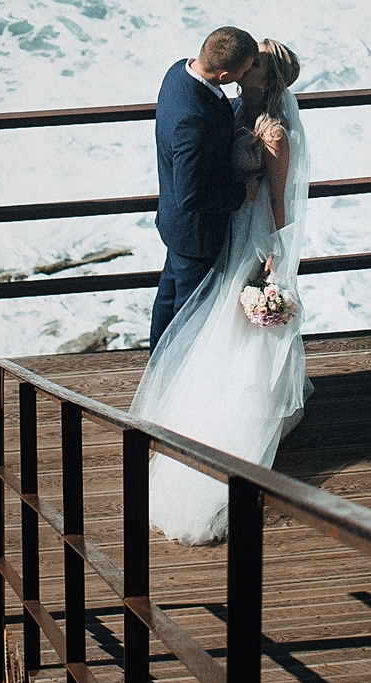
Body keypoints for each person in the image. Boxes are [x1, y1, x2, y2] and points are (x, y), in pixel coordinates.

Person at [129, 38, 309, 543]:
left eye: (256, 63)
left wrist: (274, 258)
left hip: (247, 236)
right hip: (219, 231)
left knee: (221, 327)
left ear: (262, 76)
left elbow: (280, 202)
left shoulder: (273, 132)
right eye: (245, 60)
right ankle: (172, 389)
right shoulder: (227, 106)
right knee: (195, 317)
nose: (246, 67)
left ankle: (202, 408)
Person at [149, 26, 257, 346]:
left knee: (169, 302)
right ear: (224, 76)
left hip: (175, 226)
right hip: (196, 234)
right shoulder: (194, 119)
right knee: (190, 314)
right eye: (243, 70)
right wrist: (243, 193)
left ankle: (158, 368)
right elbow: (191, 195)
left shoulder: (177, 72)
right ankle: (175, 385)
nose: (246, 74)